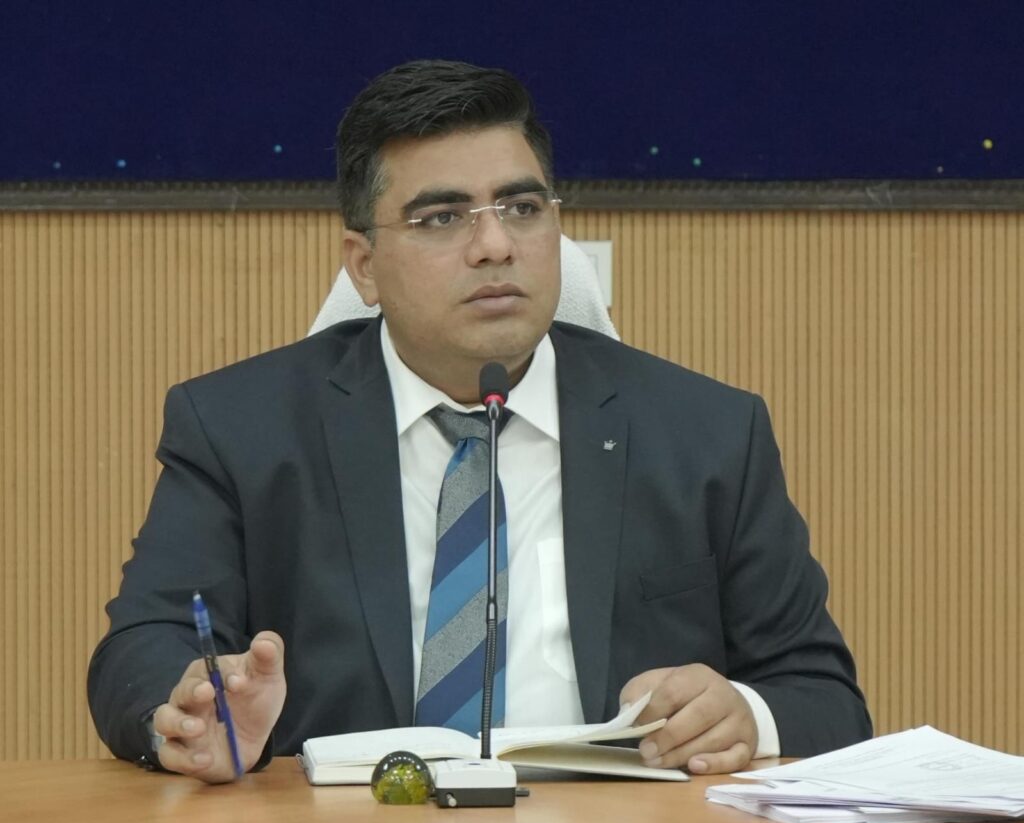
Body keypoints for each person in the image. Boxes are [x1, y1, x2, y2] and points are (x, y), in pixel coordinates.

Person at [88, 60, 871, 784]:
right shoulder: (241, 429)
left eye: (522, 209)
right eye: (442, 218)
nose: (495, 245)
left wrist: (747, 715)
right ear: (364, 265)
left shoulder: (707, 433)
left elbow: (824, 696)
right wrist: (192, 713)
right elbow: (141, 649)